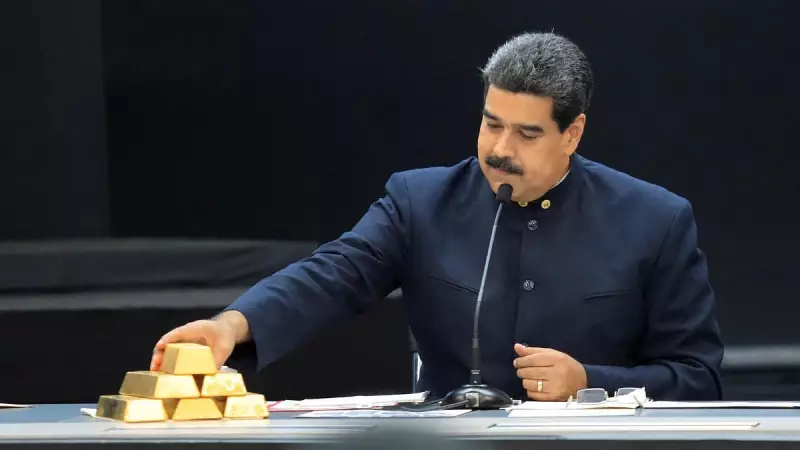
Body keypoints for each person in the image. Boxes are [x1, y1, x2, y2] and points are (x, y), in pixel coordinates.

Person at [151, 32, 724, 402]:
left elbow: (698, 378)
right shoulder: (420, 202)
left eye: (527, 134)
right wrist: (232, 325)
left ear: (572, 133)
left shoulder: (655, 221)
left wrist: (590, 383)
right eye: (491, 123)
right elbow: (333, 275)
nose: (500, 149)